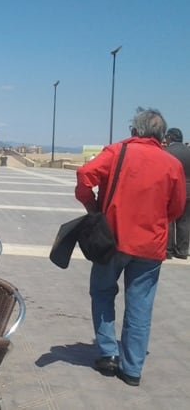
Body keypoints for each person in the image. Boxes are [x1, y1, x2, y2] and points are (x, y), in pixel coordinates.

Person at [75, 108, 185, 386]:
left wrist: (91, 206)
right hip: (150, 246)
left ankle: (108, 354)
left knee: (102, 293)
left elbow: (85, 174)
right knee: (140, 306)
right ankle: (132, 368)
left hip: (112, 240)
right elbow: (177, 208)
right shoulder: (171, 164)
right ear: (161, 135)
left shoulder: (117, 152)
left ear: (135, 130)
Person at [164, 128, 190, 259]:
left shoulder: (166, 152)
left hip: (172, 189)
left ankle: (167, 249)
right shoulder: (188, 151)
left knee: (169, 219)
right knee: (185, 221)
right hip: (188, 191)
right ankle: (182, 250)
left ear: (170, 137)